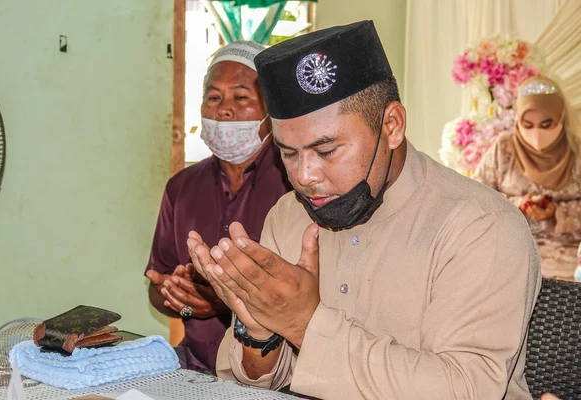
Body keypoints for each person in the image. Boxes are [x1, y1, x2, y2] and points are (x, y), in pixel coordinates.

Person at [186, 21, 541, 399]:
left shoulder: (480, 226)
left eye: (327, 151)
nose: (304, 177)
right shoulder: (291, 215)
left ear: (391, 126)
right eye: (288, 153)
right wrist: (258, 329)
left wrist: (304, 323)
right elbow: (249, 383)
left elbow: (465, 389)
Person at [144, 41, 292, 374]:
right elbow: (157, 286)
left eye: (241, 97)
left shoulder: (294, 186)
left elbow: (304, 300)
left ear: (271, 109)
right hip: (194, 368)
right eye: (213, 97)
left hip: (273, 377)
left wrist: (222, 301)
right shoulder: (180, 188)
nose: (224, 109)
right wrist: (180, 297)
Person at [474, 76, 581, 281]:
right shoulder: (503, 149)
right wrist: (517, 204)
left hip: (568, 258)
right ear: (518, 121)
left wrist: (558, 212)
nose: (536, 133)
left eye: (546, 124)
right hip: (507, 248)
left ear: (561, 118)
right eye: (528, 124)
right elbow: (475, 196)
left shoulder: (577, 152)